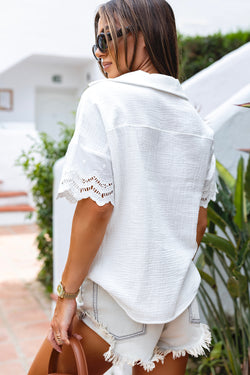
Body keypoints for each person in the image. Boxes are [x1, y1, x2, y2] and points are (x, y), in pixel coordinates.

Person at [28, 0, 218, 374]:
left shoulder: (104, 99)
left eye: (106, 37)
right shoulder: (197, 124)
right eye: (96, 41)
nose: (99, 52)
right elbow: (198, 225)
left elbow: (96, 208)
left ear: (144, 37)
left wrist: (66, 296)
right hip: (176, 303)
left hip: (116, 303)